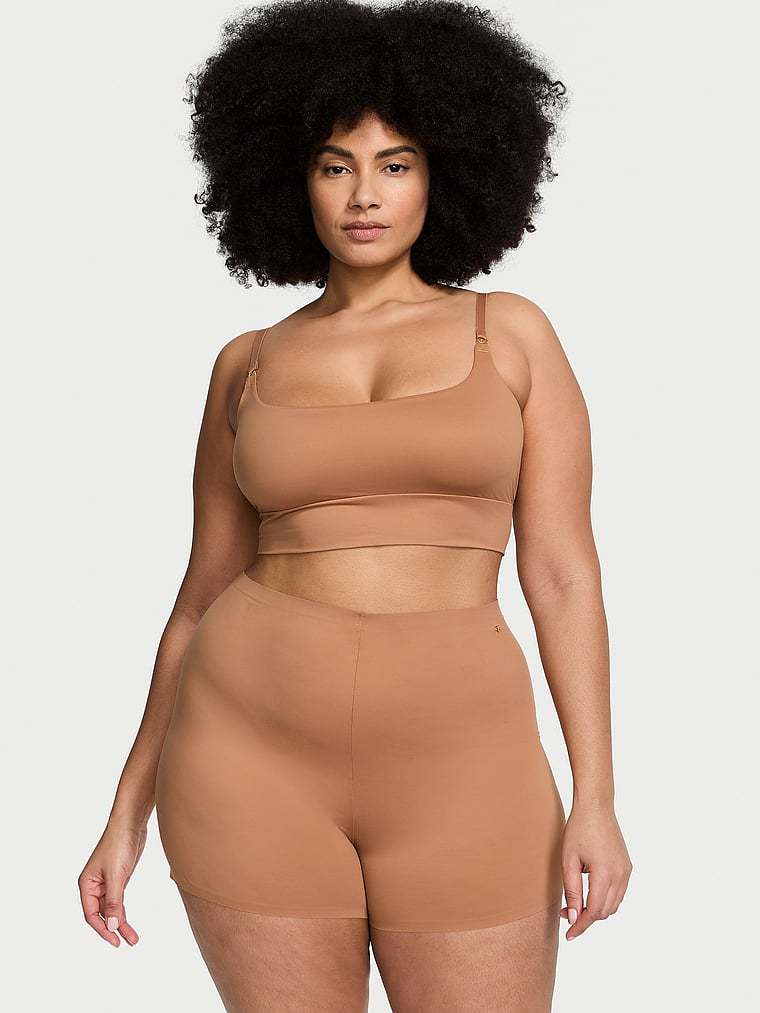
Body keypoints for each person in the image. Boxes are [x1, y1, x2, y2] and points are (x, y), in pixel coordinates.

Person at [78, 1, 633, 1009]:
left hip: (465, 760)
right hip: (245, 753)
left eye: (395, 164)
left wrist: (596, 794)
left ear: (443, 175)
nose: (364, 194)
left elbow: (561, 572)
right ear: (292, 179)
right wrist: (127, 810)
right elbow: (199, 597)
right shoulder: (245, 363)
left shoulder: (510, 334)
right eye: (336, 165)